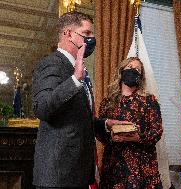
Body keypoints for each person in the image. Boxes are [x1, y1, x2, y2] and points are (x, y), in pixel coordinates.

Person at [32, 11, 125, 189]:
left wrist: (105, 124)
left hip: (77, 174)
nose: (92, 39)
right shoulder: (52, 63)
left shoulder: (78, 68)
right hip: (58, 177)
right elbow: (42, 108)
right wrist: (74, 80)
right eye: (87, 33)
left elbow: (76, 119)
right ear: (68, 33)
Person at [97, 57, 163, 189]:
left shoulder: (149, 101)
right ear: (121, 72)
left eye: (137, 69)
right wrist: (111, 137)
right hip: (114, 165)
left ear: (141, 77)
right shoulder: (108, 102)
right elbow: (99, 130)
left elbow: (157, 132)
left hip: (142, 167)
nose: (133, 71)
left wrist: (138, 137)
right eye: (130, 67)